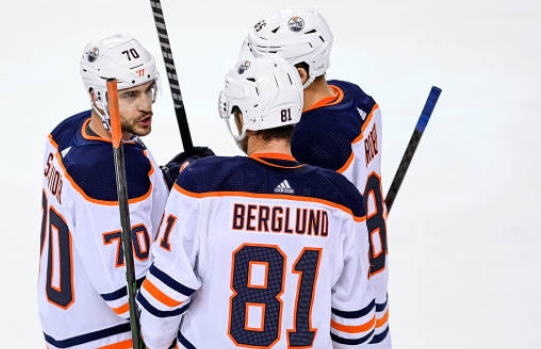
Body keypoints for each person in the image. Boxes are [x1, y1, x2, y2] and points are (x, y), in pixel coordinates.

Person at [137, 54, 376, 349]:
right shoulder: (342, 201)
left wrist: (156, 342)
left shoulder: (201, 184)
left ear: (241, 117)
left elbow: (163, 304)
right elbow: (355, 331)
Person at [241, 7, 391, 347]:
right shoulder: (356, 98)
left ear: (302, 72)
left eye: (269, 64)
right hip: (369, 289)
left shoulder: (310, 141)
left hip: (331, 309)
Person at [37, 33, 170, 349]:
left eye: (149, 89)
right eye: (130, 95)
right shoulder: (111, 175)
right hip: (110, 339)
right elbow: (130, 298)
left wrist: (168, 178)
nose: (145, 104)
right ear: (98, 96)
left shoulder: (66, 132)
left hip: (67, 326)